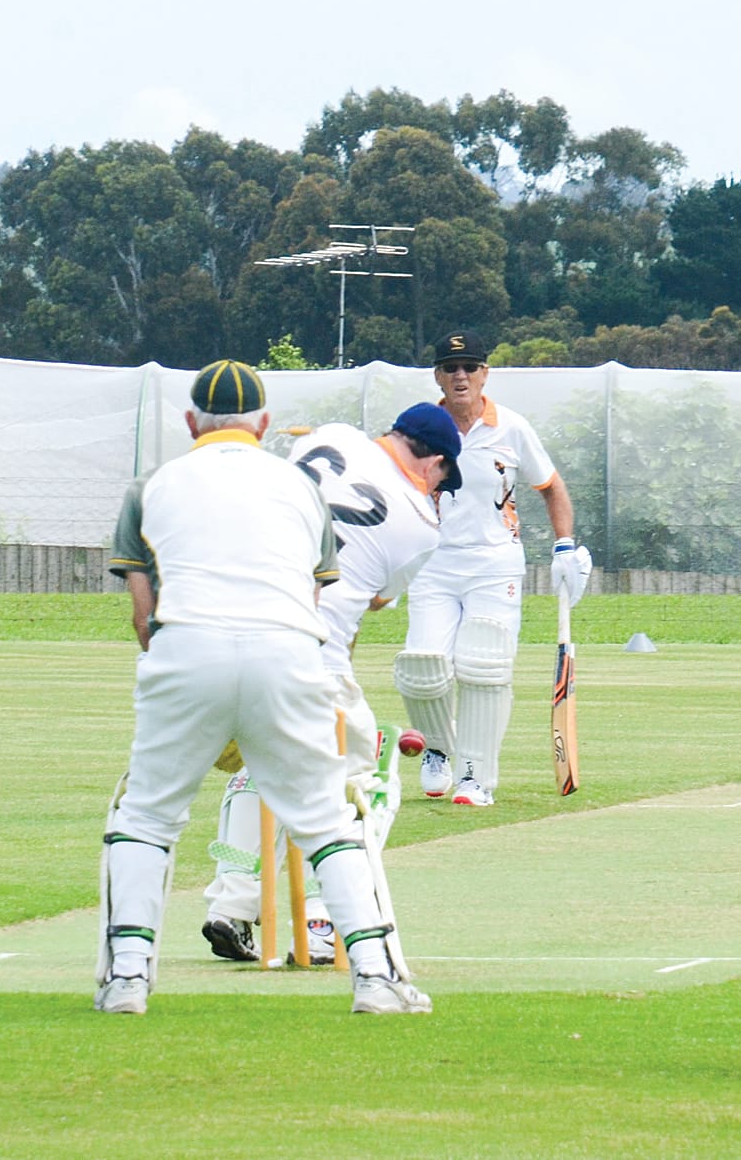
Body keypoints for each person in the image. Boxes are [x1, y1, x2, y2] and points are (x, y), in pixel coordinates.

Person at [93, 361, 451, 1016]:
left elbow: (143, 617)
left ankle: (127, 978)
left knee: (144, 815)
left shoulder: (152, 486)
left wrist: (201, 694)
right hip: (290, 651)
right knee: (326, 816)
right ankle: (374, 976)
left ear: (189, 422)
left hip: (186, 648)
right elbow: (315, 596)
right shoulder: (297, 488)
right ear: (261, 425)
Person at [199, 403, 462, 966]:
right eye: (443, 479)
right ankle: (326, 921)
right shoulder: (422, 524)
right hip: (311, 655)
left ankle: (232, 904)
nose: (439, 490)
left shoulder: (333, 435)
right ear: (434, 463)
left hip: (226, 631)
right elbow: (372, 599)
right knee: (366, 772)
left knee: (258, 767)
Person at [395, 330, 592, 807]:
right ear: (438, 376)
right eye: (450, 368)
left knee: (483, 665)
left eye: (470, 367)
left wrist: (564, 546)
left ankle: (475, 776)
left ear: (485, 373)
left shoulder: (512, 428)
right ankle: (439, 749)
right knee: (423, 666)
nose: (460, 376)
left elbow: (551, 486)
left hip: (494, 563)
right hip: (433, 564)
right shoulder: (418, 429)